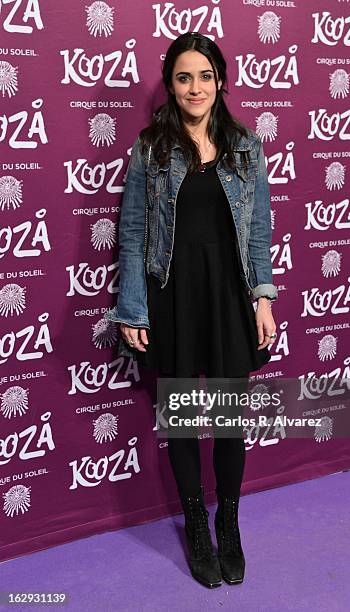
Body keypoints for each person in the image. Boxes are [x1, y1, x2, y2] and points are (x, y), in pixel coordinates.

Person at [104, 32, 278, 588]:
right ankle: (197, 527)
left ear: (221, 80)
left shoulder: (246, 147)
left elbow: (258, 233)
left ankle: (228, 522)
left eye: (204, 75)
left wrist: (263, 299)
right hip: (172, 295)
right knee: (181, 421)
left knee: (229, 420)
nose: (195, 87)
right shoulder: (150, 148)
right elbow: (132, 233)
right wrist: (133, 309)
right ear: (171, 85)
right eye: (183, 77)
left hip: (229, 295)